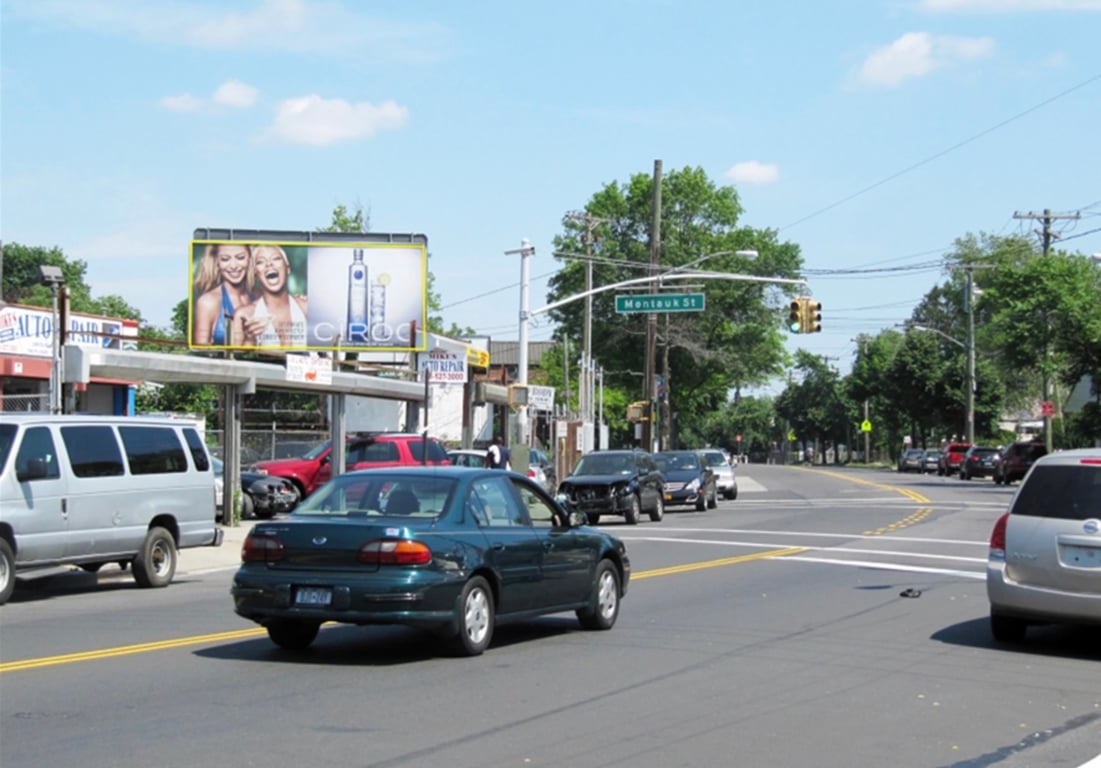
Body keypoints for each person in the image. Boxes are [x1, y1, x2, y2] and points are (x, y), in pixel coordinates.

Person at [232, 245, 309, 348]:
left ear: (288, 269)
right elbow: (235, 357)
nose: (269, 264)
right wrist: (249, 339)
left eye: (276, 259)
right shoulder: (244, 315)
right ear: (256, 274)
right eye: (260, 262)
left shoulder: (306, 307)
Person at [192, 243, 254, 345]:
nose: (233, 266)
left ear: (249, 259)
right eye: (225, 259)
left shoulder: (260, 297)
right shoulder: (207, 302)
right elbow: (200, 350)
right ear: (217, 262)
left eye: (240, 258)